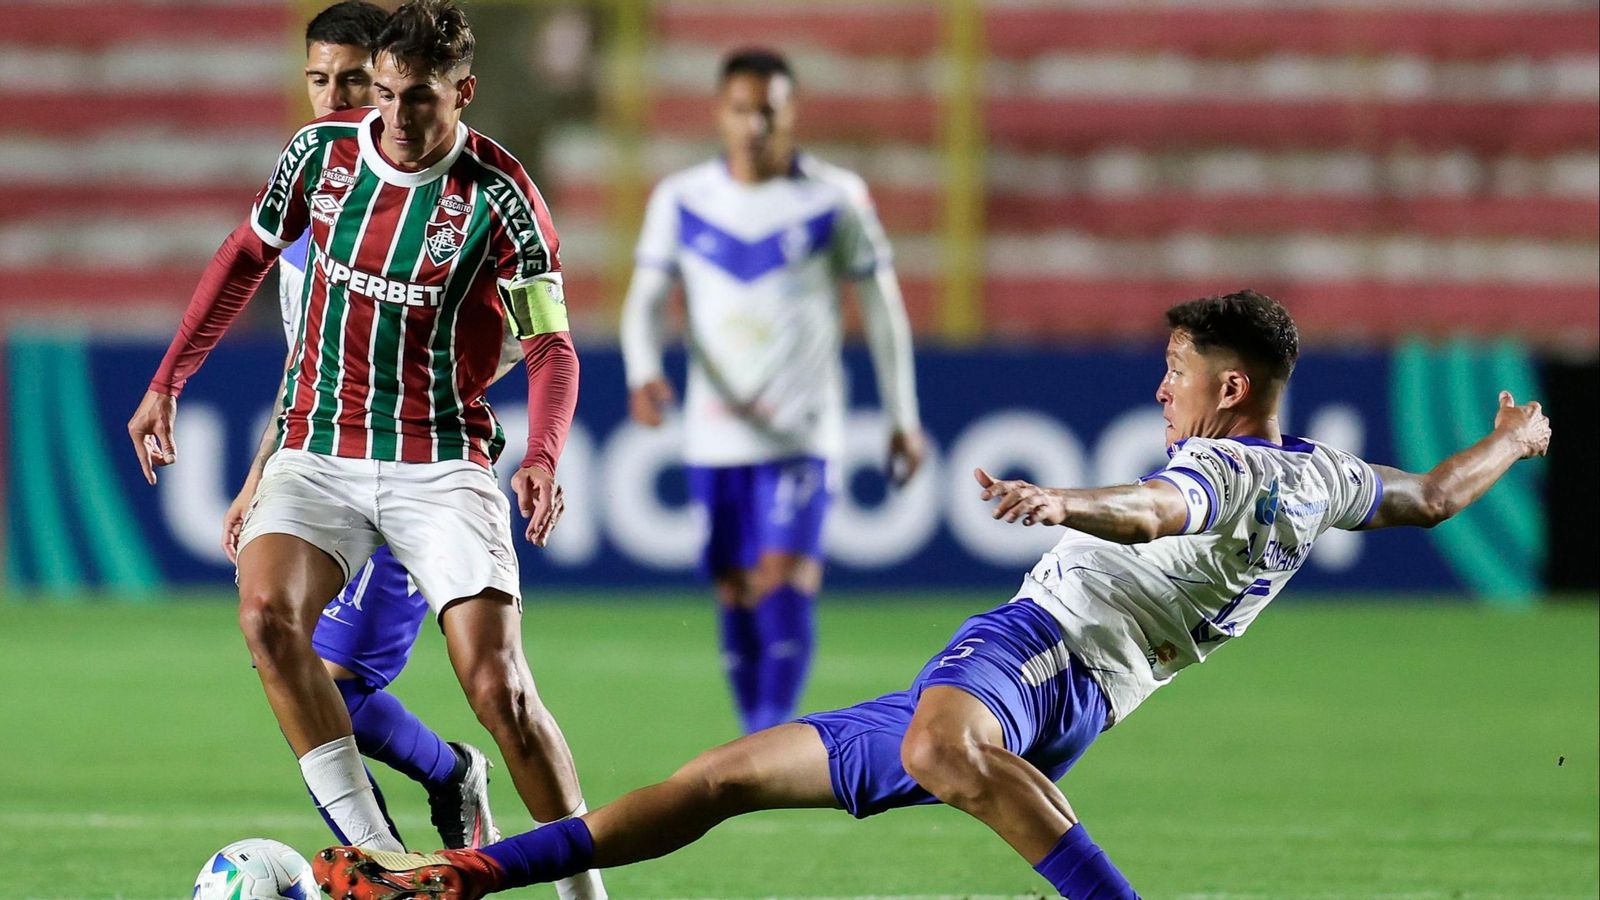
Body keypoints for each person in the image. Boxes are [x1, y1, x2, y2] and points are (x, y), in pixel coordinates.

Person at [311, 290, 1551, 899]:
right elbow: (1434, 495)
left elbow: (1159, 509)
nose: (1162, 387)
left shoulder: (1214, 463)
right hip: (1072, 698)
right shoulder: (1324, 474)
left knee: (937, 743)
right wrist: (1520, 439)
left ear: (1227, 390)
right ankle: (465, 878)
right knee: (717, 779)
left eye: (1176, 372)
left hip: (1039, 648)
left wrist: (1071, 506)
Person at [125, 2, 606, 896]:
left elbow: (551, 345)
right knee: (268, 618)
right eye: (379, 94)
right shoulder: (321, 158)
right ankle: (380, 861)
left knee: (497, 687)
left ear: (463, 91)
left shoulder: (501, 196)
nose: (391, 116)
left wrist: (541, 452)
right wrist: (167, 380)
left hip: (440, 458)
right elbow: (244, 256)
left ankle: (585, 889)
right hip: (317, 448)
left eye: (416, 98)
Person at [215, 0, 503, 853]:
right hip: (322, 458)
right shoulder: (312, 206)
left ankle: (432, 802)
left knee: (333, 683)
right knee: (296, 666)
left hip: (421, 462)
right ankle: (404, 832)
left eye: (355, 81)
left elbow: (530, 334)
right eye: (321, 80)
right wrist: (262, 472)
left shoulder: (452, 200)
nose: (337, 96)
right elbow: (306, 365)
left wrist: (427, 388)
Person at [619, 48, 924, 734]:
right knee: (733, 585)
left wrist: (903, 417)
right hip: (714, 427)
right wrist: (643, 370)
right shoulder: (683, 198)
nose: (754, 124)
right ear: (719, 114)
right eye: (741, 110)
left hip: (804, 427)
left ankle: (770, 728)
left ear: (791, 114)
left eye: (769, 111)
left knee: (783, 576)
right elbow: (644, 301)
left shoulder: (834, 197)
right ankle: (753, 727)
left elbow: (882, 308)